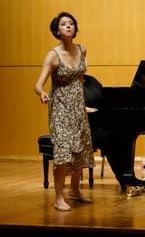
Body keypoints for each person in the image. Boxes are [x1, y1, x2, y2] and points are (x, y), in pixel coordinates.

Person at [35, 12, 94, 211]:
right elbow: (38, 85)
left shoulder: (82, 50)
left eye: (71, 24)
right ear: (57, 30)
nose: (68, 26)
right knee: (62, 152)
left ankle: (74, 191)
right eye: (64, 24)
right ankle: (59, 197)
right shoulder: (53, 54)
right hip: (60, 108)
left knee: (80, 148)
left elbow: (80, 79)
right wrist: (42, 93)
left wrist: (84, 103)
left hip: (78, 107)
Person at [83, 75, 145, 190]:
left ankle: (128, 176)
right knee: (111, 138)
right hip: (84, 128)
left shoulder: (92, 81)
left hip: (99, 123)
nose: (84, 63)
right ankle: (123, 178)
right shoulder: (71, 84)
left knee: (125, 133)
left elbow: (105, 99)